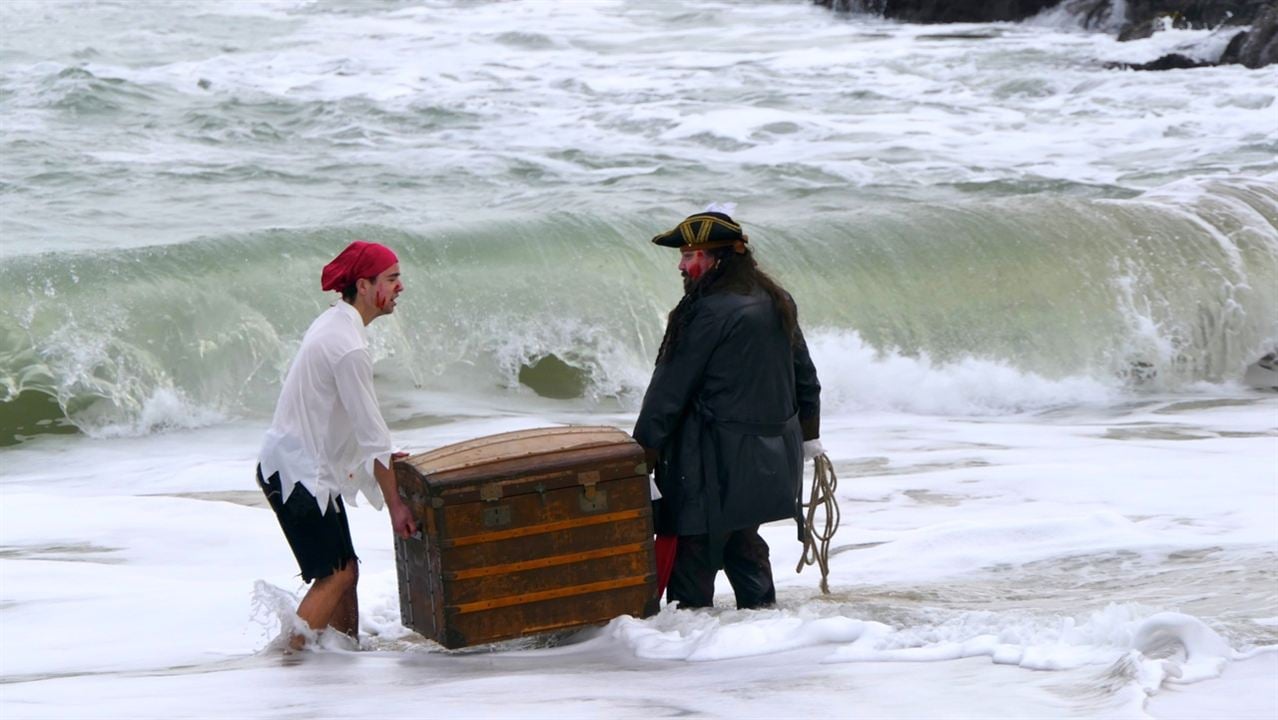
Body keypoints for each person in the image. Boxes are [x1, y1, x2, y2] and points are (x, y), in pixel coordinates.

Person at [633, 208, 822, 610]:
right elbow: (805, 377)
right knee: (743, 541)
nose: (682, 266)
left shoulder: (703, 311)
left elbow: (667, 393)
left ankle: (691, 657)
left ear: (714, 258)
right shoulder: (776, 298)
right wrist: (810, 437)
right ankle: (765, 639)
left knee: (693, 559)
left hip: (708, 466)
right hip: (768, 461)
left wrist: (642, 457)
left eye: (688, 255)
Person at [257, 240, 418, 650]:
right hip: (298, 474)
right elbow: (373, 435)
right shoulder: (348, 346)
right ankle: (288, 659)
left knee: (346, 570)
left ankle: (344, 658)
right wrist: (396, 506)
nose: (400, 287)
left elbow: (340, 419)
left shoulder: (336, 323)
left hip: (293, 464)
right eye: (391, 279)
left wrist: (370, 457)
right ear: (363, 286)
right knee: (336, 575)